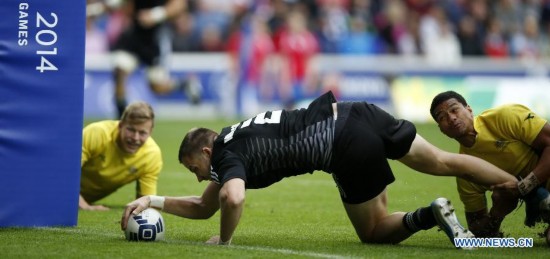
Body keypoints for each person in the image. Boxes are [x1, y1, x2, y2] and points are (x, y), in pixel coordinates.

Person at [121, 91, 517, 247]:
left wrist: (223, 243)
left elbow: (231, 196)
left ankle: (428, 214)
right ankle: (527, 185)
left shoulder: (227, 158)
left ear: (207, 150)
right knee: (446, 162)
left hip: (343, 144)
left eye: (195, 167)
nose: (197, 176)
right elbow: (204, 205)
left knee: (375, 232)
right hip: (358, 111)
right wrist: (151, 199)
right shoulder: (232, 140)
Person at [430, 90, 550, 237]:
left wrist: (523, 187)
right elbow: (478, 233)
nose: (451, 118)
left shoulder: (506, 116)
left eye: (454, 110)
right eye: (442, 117)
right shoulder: (465, 171)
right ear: (441, 129)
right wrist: (496, 213)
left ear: (469, 109)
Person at [101, 0, 201, 117]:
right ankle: (121, 115)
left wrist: (156, 15)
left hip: (155, 40)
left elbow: (179, 5)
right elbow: (126, 7)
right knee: (119, 67)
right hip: (134, 35)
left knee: (157, 87)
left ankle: (184, 84)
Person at [81, 101, 162, 211]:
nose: (135, 138)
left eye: (142, 133)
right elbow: (64, 174)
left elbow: (145, 201)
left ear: (150, 132)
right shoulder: (96, 133)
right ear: (120, 125)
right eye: (131, 130)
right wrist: (84, 206)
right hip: (55, 192)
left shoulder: (151, 155)